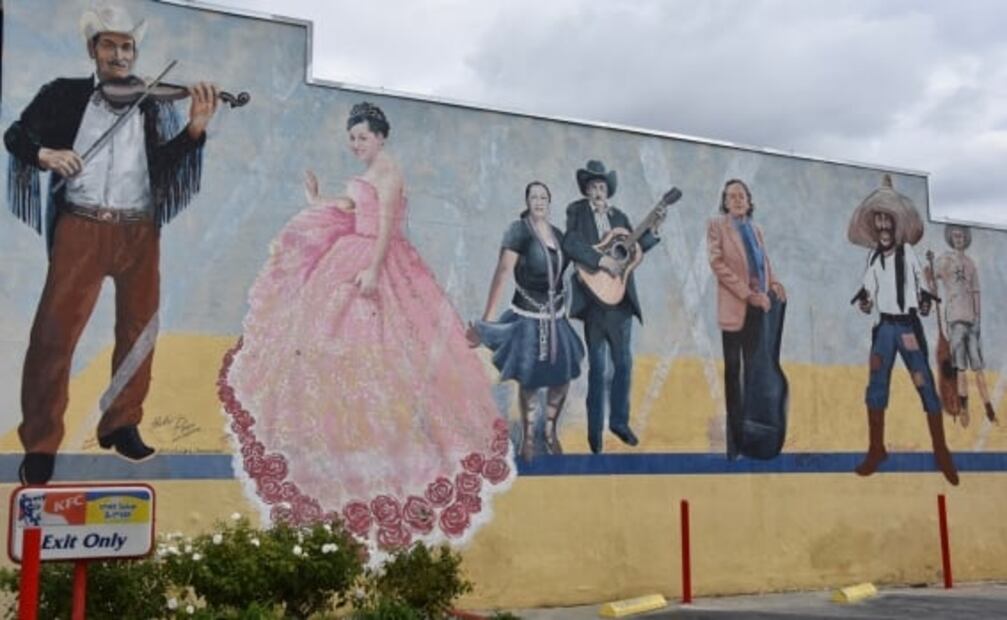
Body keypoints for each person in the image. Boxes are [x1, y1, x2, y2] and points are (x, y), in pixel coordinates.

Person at [219, 102, 514, 547]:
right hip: (349, 253)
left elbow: (386, 226)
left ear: (380, 137)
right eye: (352, 138)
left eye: (363, 137)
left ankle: (389, 447)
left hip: (377, 260)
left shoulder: (389, 172)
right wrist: (315, 200)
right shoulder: (369, 173)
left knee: (387, 349)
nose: (356, 144)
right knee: (321, 336)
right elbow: (348, 208)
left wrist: (374, 270)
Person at [4, 4, 219, 485]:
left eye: (127, 47)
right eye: (110, 45)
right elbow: (16, 135)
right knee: (55, 334)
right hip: (81, 226)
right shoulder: (62, 95)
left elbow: (161, 168)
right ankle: (40, 443)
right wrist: (47, 154)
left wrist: (195, 128)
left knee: (139, 331)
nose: (120, 55)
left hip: (138, 230)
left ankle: (121, 423)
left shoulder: (150, 104)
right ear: (93, 50)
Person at [847, 175, 958, 485]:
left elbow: (920, 283)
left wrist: (924, 300)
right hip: (884, 330)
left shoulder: (907, 253)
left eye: (887, 220)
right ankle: (876, 449)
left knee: (923, 383)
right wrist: (865, 303)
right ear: (874, 224)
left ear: (895, 224)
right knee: (876, 386)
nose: (883, 226)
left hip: (907, 328)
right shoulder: (873, 257)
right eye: (879, 219)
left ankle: (941, 450)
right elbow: (868, 290)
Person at [467, 181, 585, 461]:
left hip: (555, 318)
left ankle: (550, 429)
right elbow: (503, 271)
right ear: (527, 201)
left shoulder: (558, 235)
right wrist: (487, 322)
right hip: (528, 317)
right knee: (530, 379)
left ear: (549, 202)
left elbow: (577, 268)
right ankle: (529, 436)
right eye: (534, 197)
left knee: (562, 377)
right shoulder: (518, 231)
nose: (539, 201)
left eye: (544, 197)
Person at [563, 160, 664, 454]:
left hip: (620, 303)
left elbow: (635, 248)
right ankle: (594, 431)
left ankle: (619, 422)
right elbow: (571, 244)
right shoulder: (577, 211)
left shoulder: (620, 217)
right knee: (597, 368)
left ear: (608, 191)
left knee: (623, 364)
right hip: (594, 303)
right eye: (593, 187)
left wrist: (654, 229)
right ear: (586, 190)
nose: (598, 191)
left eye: (602, 187)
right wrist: (601, 260)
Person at [706, 179, 787, 459]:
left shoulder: (755, 230)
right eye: (732, 196)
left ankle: (754, 440)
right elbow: (718, 264)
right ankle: (735, 444)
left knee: (755, 375)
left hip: (759, 310)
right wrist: (748, 294)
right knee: (734, 376)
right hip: (735, 310)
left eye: (742, 196)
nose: (738, 200)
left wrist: (774, 283)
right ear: (725, 202)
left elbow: (764, 264)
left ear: (749, 201)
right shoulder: (717, 226)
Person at [933, 224, 996, 426]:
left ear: (966, 238)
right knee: (960, 368)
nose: (958, 239)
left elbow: (976, 292)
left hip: (971, 322)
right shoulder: (945, 260)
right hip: (955, 320)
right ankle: (964, 408)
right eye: (955, 236)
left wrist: (977, 318)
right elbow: (931, 276)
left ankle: (988, 408)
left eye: (961, 236)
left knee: (978, 367)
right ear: (951, 239)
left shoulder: (970, 264)